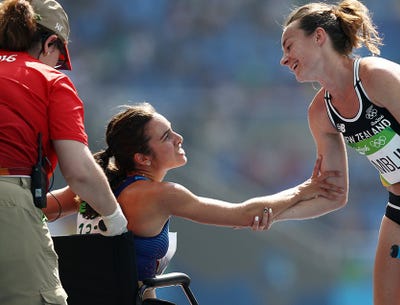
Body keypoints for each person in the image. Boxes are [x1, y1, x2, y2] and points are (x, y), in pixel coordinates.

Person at [276, 1, 400, 305]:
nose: (283, 60)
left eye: (289, 46)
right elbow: (333, 194)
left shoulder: (377, 76)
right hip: (399, 210)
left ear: (319, 37)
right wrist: (274, 213)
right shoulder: (320, 112)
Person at [43, 102, 344, 300]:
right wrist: (305, 188)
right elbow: (242, 215)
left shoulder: (94, 186)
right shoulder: (162, 195)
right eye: (166, 137)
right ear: (142, 158)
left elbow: (40, 209)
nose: (179, 137)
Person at [0, 1, 128, 304]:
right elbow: (79, 172)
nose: (57, 65)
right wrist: (116, 220)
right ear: (50, 43)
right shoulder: (49, 80)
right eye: (60, 58)